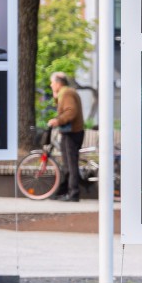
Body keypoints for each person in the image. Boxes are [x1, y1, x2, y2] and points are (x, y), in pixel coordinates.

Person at [46, 71, 85, 201]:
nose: (51, 85)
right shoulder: (66, 92)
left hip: (72, 133)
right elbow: (66, 108)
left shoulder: (67, 93)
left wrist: (58, 121)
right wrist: (55, 96)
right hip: (71, 132)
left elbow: (70, 111)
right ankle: (65, 191)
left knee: (71, 164)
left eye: (52, 83)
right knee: (68, 164)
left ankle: (73, 193)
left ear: (58, 83)